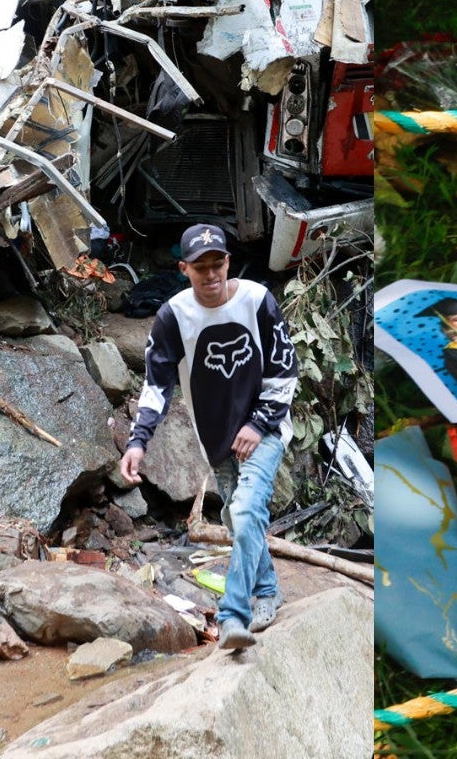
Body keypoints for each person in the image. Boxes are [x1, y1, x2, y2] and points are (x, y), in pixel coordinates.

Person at [119, 224, 295, 651]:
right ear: (185, 269)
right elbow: (157, 384)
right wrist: (138, 441)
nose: (211, 274)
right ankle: (268, 590)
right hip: (216, 438)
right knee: (239, 520)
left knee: (249, 508)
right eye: (201, 267)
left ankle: (235, 616)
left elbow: (284, 368)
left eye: (217, 264)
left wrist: (259, 423)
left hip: (264, 429)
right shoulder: (173, 317)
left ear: (227, 262)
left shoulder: (257, 300)